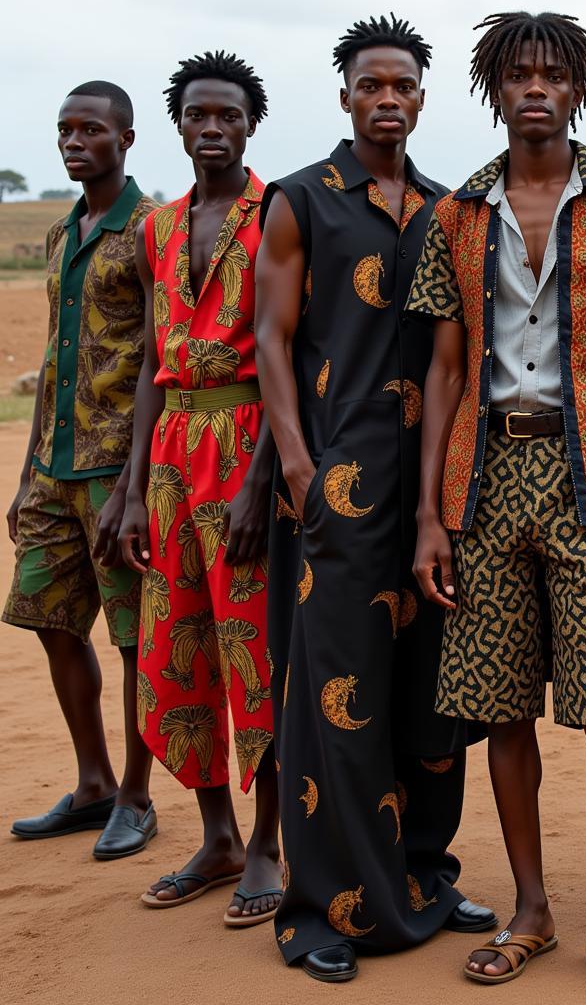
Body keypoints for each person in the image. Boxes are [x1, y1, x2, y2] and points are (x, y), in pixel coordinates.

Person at [409, 10, 586, 1002]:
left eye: (553, 75)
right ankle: (531, 908)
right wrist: (432, 516)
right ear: (495, 89)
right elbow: (445, 368)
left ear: (578, 89)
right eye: (518, 74)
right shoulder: (461, 212)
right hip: (484, 488)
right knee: (503, 715)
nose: (535, 88)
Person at [255, 15, 495, 984]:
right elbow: (271, 342)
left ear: (421, 101)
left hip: (434, 490)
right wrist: (300, 470)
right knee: (333, 701)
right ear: (346, 96)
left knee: (430, 691)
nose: (387, 98)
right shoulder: (300, 201)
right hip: (340, 486)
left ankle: (425, 873)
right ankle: (321, 904)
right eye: (371, 85)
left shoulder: (445, 208)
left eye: (402, 86)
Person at [118, 51, 280, 925]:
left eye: (227, 115)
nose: (211, 128)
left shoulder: (278, 213)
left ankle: (265, 844)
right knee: (176, 649)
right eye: (197, 115)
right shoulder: (157, 227)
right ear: (178, 125)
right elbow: (151, 359)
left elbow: (288, 356)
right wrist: (133, 487)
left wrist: (263, 484)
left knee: (253, 648)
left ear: (251, 124)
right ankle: (215, 835)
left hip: (249, 440)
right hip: (176, 452)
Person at [7, 82, 157, 860]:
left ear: (125, 140)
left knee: (134, 639)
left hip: (114, 471)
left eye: (90, 129)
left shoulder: (148, 233)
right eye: (64, 129)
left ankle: (136, 794)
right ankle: (92, 779)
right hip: (53, 470)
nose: (73, 142)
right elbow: (53, 356)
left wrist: (134, 486)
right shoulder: (64, 233)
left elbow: (156, 363)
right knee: (48, 620)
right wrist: (28, 471)